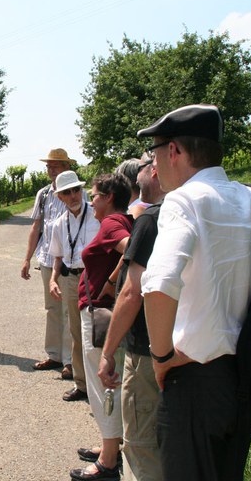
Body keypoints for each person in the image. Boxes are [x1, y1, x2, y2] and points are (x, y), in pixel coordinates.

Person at [138, 104, 251, 480]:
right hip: (249, 375)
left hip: (196, 378)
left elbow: (158, 282)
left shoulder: (184, 200)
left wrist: (162, 355)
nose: (154, 164)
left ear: (174, 151)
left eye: (155, 152)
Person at [98, 151, 166, 481]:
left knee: (141, 444)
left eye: (144, 164)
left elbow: (132, 292)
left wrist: (108, 352)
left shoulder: (150, 221)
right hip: (187, 350)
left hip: (146, 347)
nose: (139, 173)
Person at [70, 173, 133, 481]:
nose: (90, 201)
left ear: (109, 197)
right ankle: (110, 445)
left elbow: (134, 249)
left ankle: (108, 461)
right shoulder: (125, 219)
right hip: (104, 310)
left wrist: (110, 282)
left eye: (94, 195)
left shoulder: (111, 224)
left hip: (99, 312)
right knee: (110, 383)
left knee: (102, 385)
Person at [21, 148, 86, 379]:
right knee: (52, 309)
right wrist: (27, 258)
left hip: (70, 261)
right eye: (49, 166)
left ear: (66, 167)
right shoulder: (45, 194)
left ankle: (70, 360)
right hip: (48, 258)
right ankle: (54, 354)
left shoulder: (79, 192)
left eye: (55, 166)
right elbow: (37, 226)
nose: (50, 170)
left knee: (70, 311)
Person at [48, 170, 101, 402]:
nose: (73, 196)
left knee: (98, 328)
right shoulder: (60, 223)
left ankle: (101, 383)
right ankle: (82, 384)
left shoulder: (97, 216)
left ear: (82, 190)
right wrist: (52, 279)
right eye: (67, 192)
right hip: (71, 279)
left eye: (76, 190)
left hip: (95, 277)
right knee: (76, 331)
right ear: (59, 197)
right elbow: (57, 257)